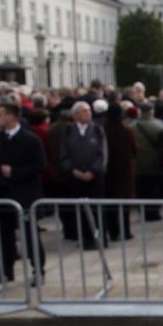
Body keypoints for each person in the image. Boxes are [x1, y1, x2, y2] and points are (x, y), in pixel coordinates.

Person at [0, 101, 46, 285]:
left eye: (0, 114)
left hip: (24, 195)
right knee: (5, 236)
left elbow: (40, 166)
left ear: (12, 116)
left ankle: (38, 271)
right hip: (1, 195)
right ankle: (6, 271)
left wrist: (15, 171)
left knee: (30, 236)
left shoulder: (30, 139)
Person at [58, 101, 108, 249]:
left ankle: (101, 238)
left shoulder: (97, 129)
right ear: (75, 115)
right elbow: (64, 153)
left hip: (95, 176)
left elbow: (102, 153)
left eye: (89, 111)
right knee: (81, 210)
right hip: (76, 176)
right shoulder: (68, 131)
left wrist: (93, 171)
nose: (88, 114)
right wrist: (73, 170)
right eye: (84, 111)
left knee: (97, 209)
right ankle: (86, 239)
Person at [103, 102, 137, 242]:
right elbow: (134, 150)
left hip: (109, 171)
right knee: (124, 204)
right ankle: (126, 231)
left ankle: (113, 232)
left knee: (111, 203)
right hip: (124, 171)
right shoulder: (126, 130)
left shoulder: (103, 130)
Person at [133, 102, 163, 221]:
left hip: (137, 164)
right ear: (151, 111)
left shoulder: (132, 126)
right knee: (153, 189)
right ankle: (154, 213)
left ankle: (143, 212)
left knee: (141, 190)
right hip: (154, 163)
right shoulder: (159, 125)